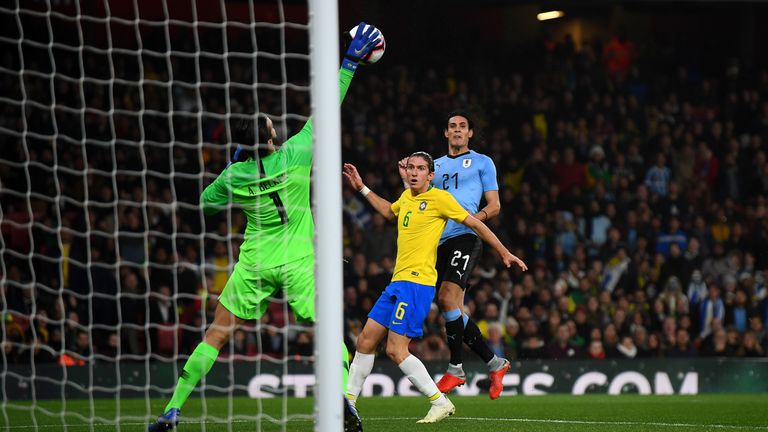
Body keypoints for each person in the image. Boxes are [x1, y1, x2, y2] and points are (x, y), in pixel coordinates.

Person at [147, 22, 382, 432]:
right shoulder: (296, 152)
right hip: (298, 261)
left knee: (216, 335)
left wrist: (233, 166)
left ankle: (172, 408)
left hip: (255, 261)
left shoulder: (235, 176)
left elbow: (204, 205)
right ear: (272, 137)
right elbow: (328, 107)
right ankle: (344, 401)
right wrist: (349, 63)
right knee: (330, 334)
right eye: (272, 125)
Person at [342, 152, 527, 424]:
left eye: (420, 169)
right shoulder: (406, 198)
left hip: (417, 284)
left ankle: (439, 402)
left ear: (431, 175)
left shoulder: (440, 199)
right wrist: (362, 187)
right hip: (397, 282)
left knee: (395, 349)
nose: (414, 172)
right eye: (411, 168)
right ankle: (348, 405)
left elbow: (475, 223)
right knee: (365, 341)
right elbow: (387, 210)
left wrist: (504, 252)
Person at [398, 111, 509, 399]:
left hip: (466, 237)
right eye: (452, 126)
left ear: (470, 133)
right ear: (445, 133)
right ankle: (495, 363)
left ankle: (456, 368)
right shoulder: (433, 167)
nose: (457, 130)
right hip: (437, 242)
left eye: (462, 126)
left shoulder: (483, 162)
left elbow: (495, 205)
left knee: (446, 298)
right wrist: (406, 177)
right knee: (453, 309)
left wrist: (473, 219)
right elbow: (418, 199)